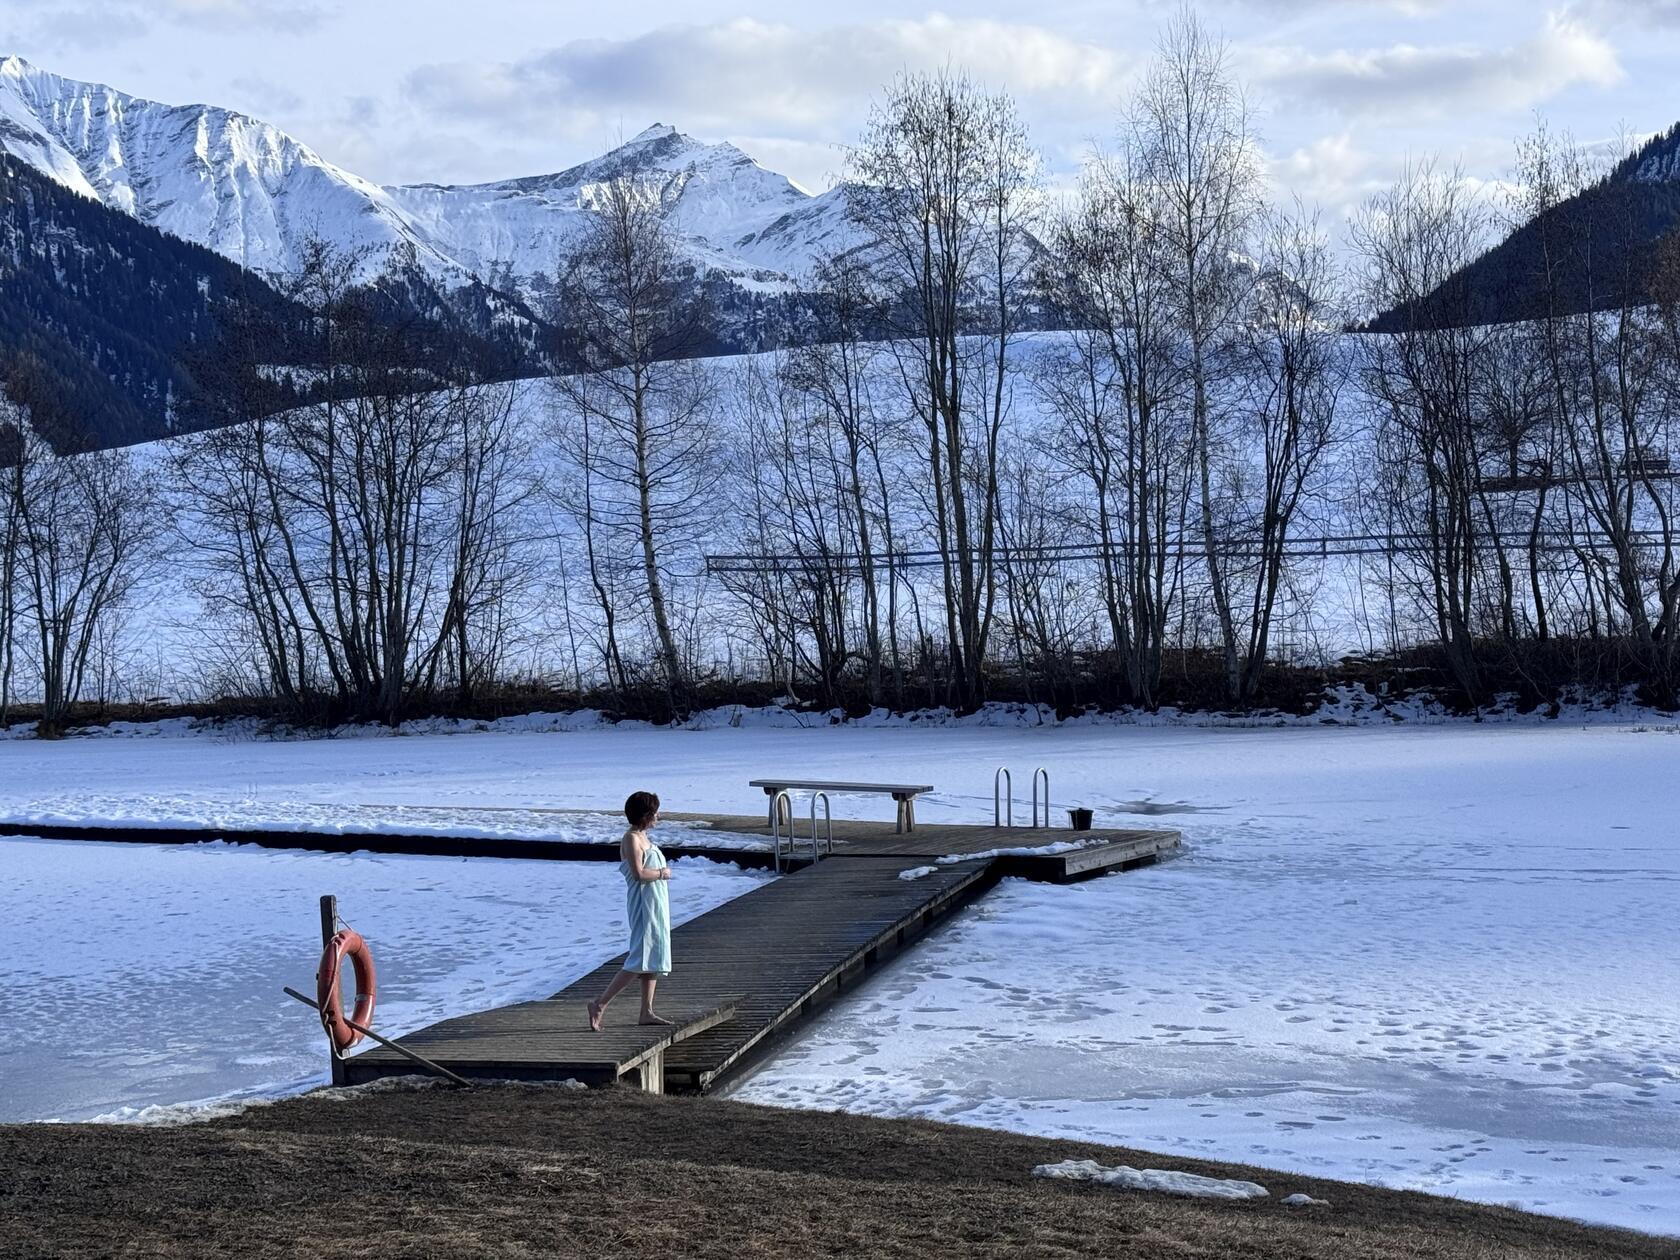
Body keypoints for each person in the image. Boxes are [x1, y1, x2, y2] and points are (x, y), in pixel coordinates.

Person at [588, 791, 673, 1029]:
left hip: (657, 902)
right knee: (639, 957)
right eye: (655, 811)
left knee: (653, 956)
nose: (658, 815)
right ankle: (599, 1004)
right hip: (643, 904)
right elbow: (638, 874)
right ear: (646, 814)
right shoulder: (631, 839)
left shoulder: (645, 837)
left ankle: (646, 1011)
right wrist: (662, 873)